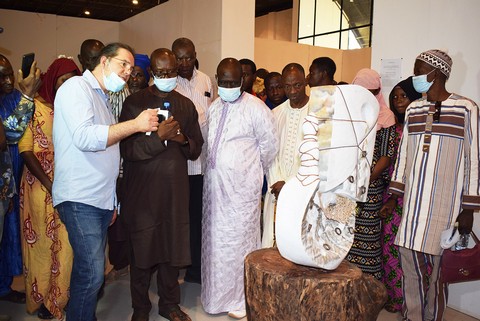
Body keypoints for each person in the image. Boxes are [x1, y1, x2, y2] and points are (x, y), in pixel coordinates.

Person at [53, 42, 159, 321]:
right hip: (79, 197)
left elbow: (109, 153)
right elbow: (86, 138)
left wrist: (111, 201)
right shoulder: (76, 88)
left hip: (98, 199)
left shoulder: (102, 97)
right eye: (122, 64)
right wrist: (136, 125)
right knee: (91, 272)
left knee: (88, 271)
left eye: (131, 68)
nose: (127, 72)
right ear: (103, 61)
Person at [388, 49, 479, 321]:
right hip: (414, 207)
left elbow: (473, 158)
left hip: (446, 208)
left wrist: (469, 209)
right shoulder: (414, 109)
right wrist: (395, 193)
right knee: (410, 269)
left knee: (439, 276)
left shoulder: (466, 108)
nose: (414, 77)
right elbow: (404, 154)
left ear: (435, 73)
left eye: (418, 71)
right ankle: (412, 316)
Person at [120, 48, 203, 321]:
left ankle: (169, 304)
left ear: (177, 71)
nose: (166, 76)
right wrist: (159, 138)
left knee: (172, 248)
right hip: (143, 192)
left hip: (174, 191)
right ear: (152, 72)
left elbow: (195, 149)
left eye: (170, 72)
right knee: (142, 251)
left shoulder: (186, 104)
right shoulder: (134, 103)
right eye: (160, 72)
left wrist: (181, 140)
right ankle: (140, 308)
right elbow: (127, 150)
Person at [202, 58, 278, 319]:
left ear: (243, 81)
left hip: (241, 192)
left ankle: (239, 299)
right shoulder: (213, 107)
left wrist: (248, 173)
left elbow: (269, 147)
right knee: (216, 245)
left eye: (233, 82)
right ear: (216, 79)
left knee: (238, 245)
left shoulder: (256, 108)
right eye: (223, 82)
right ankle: (216, 297)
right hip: (214, 192)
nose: (228, 87)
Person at [19, 57, 81, 320]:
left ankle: (61, 298)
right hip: (39, 184)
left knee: (67, 244)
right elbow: (25, 150)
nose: (67, 85)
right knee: (42, 245)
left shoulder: (77, 108)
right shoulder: (34, 106)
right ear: (51, 80)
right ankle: (42, 299)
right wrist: (49, 183)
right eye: (62, 79)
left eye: (72, 80)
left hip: (70, 183)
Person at [347, 68, 396, 280]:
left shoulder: (386, 116)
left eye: (372, 92)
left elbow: (386, 156)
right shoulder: (347, 113)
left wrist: (365, 180)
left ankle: (367, 289)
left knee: (367, 238)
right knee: (343, 234)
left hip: (370, 188)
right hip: (345, 186)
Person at [0, 54, 41, 309]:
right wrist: (27, 97)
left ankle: (3, 287)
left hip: (11, 180)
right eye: (0, 76)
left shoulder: (13, 97)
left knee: (8, 237)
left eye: (9, 74)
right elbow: (10, 134)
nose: (7, 80)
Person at [172, 37, 213, 284]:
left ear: (195, 54)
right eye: (180, 58)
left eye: (188, 57)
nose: (185, 62)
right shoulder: (167, 83)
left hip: (202, 164)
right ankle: (177, 265)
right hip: (179, 164)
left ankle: (195, 269)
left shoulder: (206, 80)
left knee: (198, 218)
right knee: (180, 219)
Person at [378, 76, 421, 313]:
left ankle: (413, 300)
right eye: (394, 97)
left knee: (411, 251)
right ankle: (395, 297)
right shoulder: (392, 127)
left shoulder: (420, 129)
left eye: (403, 96)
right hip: (391, 194)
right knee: (390, 247)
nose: (398, 101)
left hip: (412, 197)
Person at [261, 63, 310, 248]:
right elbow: (270, 153)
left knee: (298, 244)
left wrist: (290, 186)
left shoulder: (318, 112)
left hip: (304, 191)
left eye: (297, 85)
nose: (292, 91)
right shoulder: (275, 114)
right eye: (287, 86)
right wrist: (277, 182)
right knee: (272, 245)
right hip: (276, 190)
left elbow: (317, 157)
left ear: (305, 82)